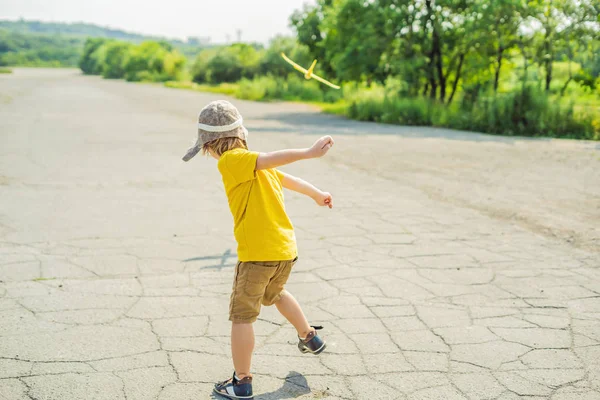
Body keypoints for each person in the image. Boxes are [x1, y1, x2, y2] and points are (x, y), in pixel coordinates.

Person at [182, 100, 333, 399]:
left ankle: (242, 381)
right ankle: (309, 336)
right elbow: (292, 181)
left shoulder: (232, 161)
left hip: (258, 254)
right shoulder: (259, 166)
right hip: (284, 250)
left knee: (242, 316)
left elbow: (271, 159)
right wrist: (318, 194)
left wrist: (308, 153)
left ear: (211, 144)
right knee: (274, 294)